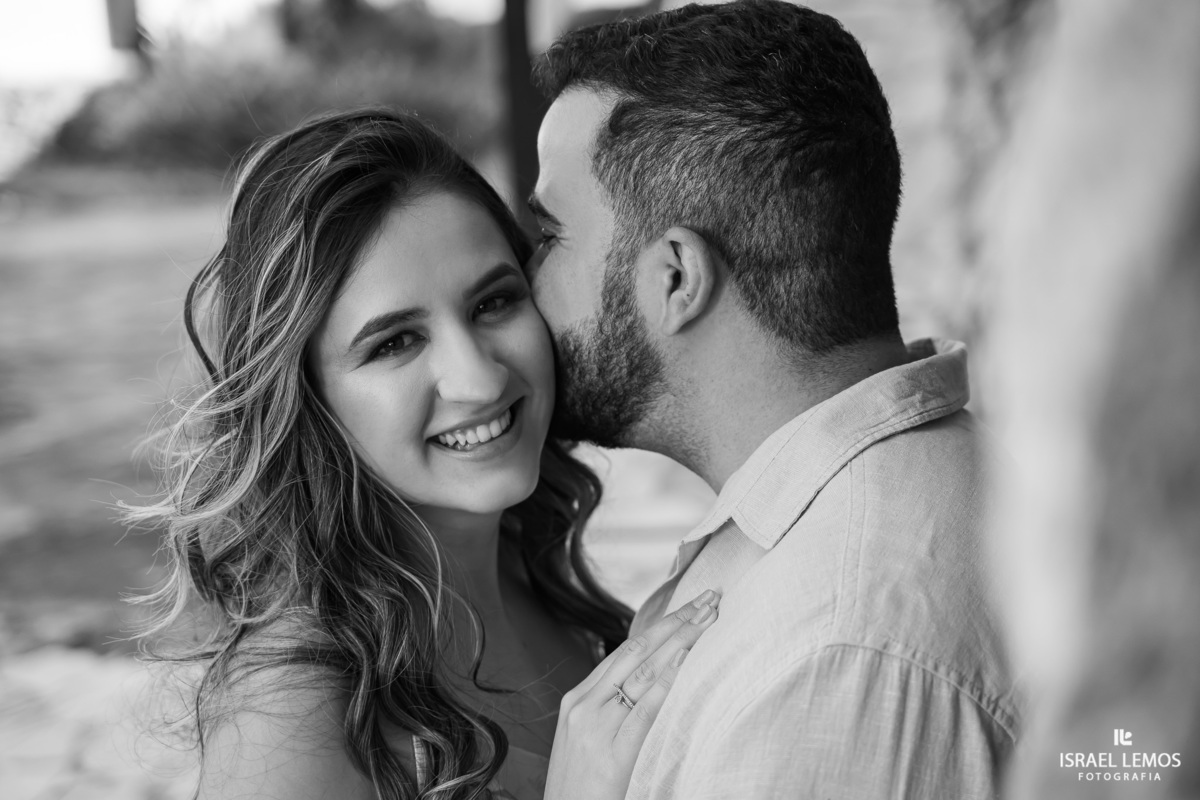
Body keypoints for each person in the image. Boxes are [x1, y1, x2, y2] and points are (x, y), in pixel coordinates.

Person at [125, 108, 717, 800]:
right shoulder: (294, 706)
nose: (480, 379)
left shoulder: (535, 581)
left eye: (493, 303)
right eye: (394, 343)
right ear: (308, 396)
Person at [527, 1, 1021, 797]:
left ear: (676, 279)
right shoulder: (864, 516)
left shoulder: (832, 664)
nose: (525, 285)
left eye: (550, 238)